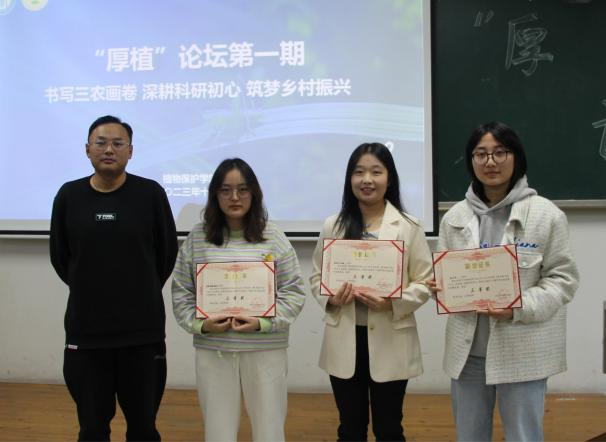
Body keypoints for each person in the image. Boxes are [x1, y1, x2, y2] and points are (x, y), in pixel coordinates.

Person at [428, 121, 580, 441]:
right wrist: (438, 287)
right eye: (480, 154)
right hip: (468, 354)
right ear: (471, 161)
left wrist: (517, 307)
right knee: (469, 435)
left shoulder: (546, 215)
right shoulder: (454, 217)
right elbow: (444, 278)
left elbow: (563, 280)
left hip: (523, 350)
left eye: (500, 152)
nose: (490, 162)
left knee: (524, 436)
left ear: (516, 157)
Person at [49, 115, 178, 441]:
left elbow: (166, 254)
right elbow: (61, 257)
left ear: (130, 151)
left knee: (143, 428)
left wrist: (138, 289)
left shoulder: (150, 194)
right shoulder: (69, 195)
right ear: (87, 149)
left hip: (142, 335)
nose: (109, 149)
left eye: (118, 143)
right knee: (92, 429)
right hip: (87, 334)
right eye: (101, 142)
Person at [171, 158, 306, 442]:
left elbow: (294, 290)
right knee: (218, 431)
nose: (235, 197)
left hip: (265, 347)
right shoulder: (198, 237)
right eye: (226, 190)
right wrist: (201, 325)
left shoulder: (273, 236)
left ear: (254, 193)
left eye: (243, 189)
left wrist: (264, 323)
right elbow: (181, 291)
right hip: (215, 349)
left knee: (270, 430)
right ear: (215, 194)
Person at [309, 143, 432, 441]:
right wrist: (330, 297)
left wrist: (393, 302)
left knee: (389, 429)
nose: (367, 180)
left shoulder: (409, 226)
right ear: (349, 179)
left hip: (391, 337)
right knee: (349, 429)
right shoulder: (333, 225)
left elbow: (425, 281)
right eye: (359, 172)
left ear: (389, 179)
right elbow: (316, 276)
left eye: (376, 172)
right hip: (344, 336)